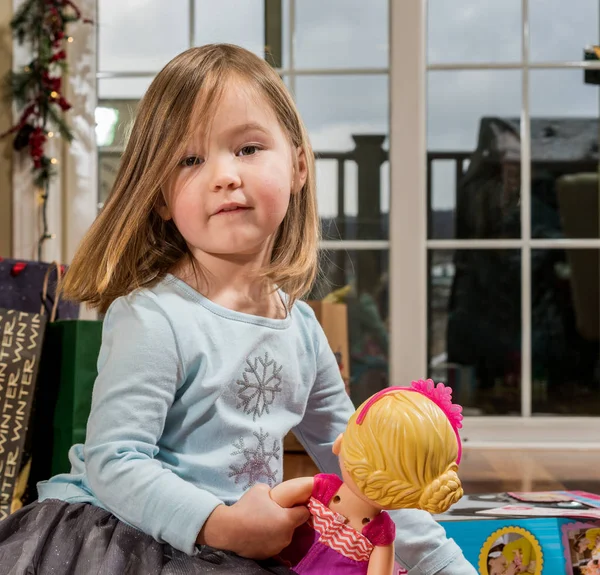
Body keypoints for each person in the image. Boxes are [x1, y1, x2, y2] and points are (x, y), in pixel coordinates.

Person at [0, 44, 476, 574]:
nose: (224, 175)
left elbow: (364, 468)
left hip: (240, 549)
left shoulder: (302, 330)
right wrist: (219, 524)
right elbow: (116, 462)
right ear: (160, 197)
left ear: (298, 165)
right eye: (190, 159)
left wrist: (448, 568)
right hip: (124, 542)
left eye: (247, 148)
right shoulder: (154, 317)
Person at [270, 381, 465, 574]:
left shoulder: (376, 530)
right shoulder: (322, 491)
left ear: (341, 445)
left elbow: (270, 506)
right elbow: (270, 510)